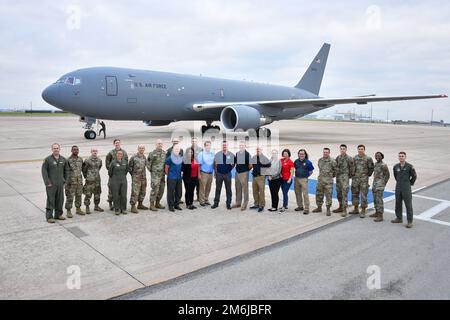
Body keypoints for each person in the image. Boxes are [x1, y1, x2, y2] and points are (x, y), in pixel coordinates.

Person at [41, 143, 67, 223]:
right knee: (50, 200)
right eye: (54, 148)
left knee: (60, 199)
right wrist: (47, 182)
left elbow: (66, 171)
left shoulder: (63, 159)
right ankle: (49, 217)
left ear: (59, 149)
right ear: (52, 149)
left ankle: (58, 215)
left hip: (60, 184)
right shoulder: (48, 159)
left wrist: (65, 181)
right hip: (51, 184)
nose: (56, 149)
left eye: (57, 148)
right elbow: (44, 171)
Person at [391, 152, 417, 228]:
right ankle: (399, 218)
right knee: (398, 203)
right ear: (398, 157)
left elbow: (414, 176)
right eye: (400, 156)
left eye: (402, 156)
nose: (401, 157)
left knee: (408, 205)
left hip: (406, 188)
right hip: (398, 187)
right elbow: (395, 176)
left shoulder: (409, 166)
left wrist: (409, 183)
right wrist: (399, 182)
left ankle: (409, 221)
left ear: (405, 157)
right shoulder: (396, 166)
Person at [351, 145, 374, 218]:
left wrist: (367, 175)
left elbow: (371, 168)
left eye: (362, 149)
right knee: (355, 194)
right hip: (355, 179)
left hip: (364, 180)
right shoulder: (355, 158)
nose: (360, 150)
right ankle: (356, 208)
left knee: (363, 195)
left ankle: (363, 210)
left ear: (364, 150)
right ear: (357, 150)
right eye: (359, 149)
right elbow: (352, 167)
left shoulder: (368, 158)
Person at [313, 148, 337, 216]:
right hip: (320, 181)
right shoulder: (320, 160)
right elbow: (320, 169)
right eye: (324, 152)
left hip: (328, 182)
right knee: (319, 194)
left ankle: (328, 209)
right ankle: (319, 207)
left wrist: (330, 177)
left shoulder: (332, 161)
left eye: (326, 152)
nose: (325, 153)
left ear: (329, 153)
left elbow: (335, 171)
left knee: (328, 196)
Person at [106, 139, 128, 210]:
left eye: (118, 143)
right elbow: (107, 163)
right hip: (113, 175)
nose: (117, 144)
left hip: (121, 175)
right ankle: (110, 203)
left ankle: (120, 205)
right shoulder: (111, 153)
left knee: (121, 191)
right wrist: (112, 172)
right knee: (111, 190)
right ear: (114, 144)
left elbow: (126, 163)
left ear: (120, 143)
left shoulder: (124, 152)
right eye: (116, 143)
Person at [212, 141, 235, 210]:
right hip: (219, 174)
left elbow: (234, 164)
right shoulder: (218, 154)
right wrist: (215, 173)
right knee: (218, 189)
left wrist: (230, 168)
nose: (224, 146)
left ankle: (228, 203)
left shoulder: (231, 155)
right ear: (221, 146)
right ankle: (216, 203)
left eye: (225, 145)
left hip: (227, 174)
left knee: (228, 189)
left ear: (228, 146)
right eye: (223, 145)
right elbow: (215, 164)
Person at [333, 144, 355, 217]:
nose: (342, 150)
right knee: (339, 193)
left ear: (346, 150)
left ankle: (344, 210)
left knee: (344, 194)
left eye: (344, 149)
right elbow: (335, 167)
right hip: (338, 178)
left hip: (345, 178)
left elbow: (352, 169)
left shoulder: (349, 158)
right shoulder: (338, 158)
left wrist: (348, 176)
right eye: (341, 149)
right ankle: (340, 207)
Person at [82, 147, 103, 214]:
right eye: (93, 151)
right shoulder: (87, 160)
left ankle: (96, 206)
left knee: (97, 193)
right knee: (88, 194)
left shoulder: (99, 160)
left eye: (96, 151)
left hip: (97, 179)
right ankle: (87, 207)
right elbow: (84, 169)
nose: (95, 152)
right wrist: (87, 176)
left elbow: (99, 167)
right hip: (89, 180)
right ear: (91, 152)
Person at [64, 145, 84, 218]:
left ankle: (78, 209)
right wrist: (66, 182)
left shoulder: (80, 159)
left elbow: (83, 169)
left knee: (79, 195)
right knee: (70, 196)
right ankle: (68, 210)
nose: (76, 151)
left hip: (79, 181)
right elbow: (65, 171)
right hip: (70, 182)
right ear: (71, 151)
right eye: (74, 150)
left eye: (77, 150)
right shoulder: (68, 160)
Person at [147, 139, 166, 211]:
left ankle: (157, 203)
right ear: (156, 144)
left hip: (162, 175)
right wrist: (153, 172)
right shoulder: (152, 153)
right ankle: (152, 204)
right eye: (158, 143)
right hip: (155, 175)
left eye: (161, 143)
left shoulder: (164, 153)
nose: (160, 145)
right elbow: (148, 164)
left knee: (161, 189)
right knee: (155, 189)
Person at [250, 146, 271, 213]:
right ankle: (256, 204)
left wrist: (265, 174)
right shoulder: (254, 157)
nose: (258, 151)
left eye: (259, 150)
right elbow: (252, 165)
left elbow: (269, 166)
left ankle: (262, 205)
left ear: (261, 150)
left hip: (261, 177)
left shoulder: (264, 158)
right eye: (257, 150)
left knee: (261, 192)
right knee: (255, 191)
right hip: (254, 177)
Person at [108, 150, 129, 215]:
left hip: (123, 180)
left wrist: (122, 176)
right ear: (116, 155)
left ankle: (123, 209)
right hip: (115, 180)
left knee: (123, 195)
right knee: (116, 195)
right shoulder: (113, 162)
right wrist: (114, 178)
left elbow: (126, 170)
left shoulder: (125, 162)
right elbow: (110, 172)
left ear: (122, 155)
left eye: (121, 154)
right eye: (118, 154)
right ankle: (117, 209)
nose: (120, 155)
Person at [129, 145, 149, 213]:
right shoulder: (133, 157)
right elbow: (130, 167)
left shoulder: (144, 157)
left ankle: (140, 204)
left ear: (144, 149)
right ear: (138, 149)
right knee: (135, 192)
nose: (141, 149)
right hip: (136, 178)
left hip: (143, 177)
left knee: (143, 191)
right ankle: (133, 206)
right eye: (140, 148)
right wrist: (134, 175)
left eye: (143, 148)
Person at [371, 152, 390, 222]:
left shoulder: (383, 165)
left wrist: (383, 184)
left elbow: (387, 175)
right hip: (375, 184)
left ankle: (380, 215)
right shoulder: (375, 164)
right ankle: (376, 212)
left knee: (379, 200)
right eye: (376, 156)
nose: (377, 157)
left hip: (380, 185)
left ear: (382, 157)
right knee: (375, 199)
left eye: (379, 156)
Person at [294, 149, 314, 215]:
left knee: (305, 194)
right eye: (300, 154)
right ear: (298, 154)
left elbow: (311, 171)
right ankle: (300, 206)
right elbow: (295, 168)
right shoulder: (296, 161)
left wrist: (306, 176)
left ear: (305, 155)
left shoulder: (308, 162)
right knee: (297, 193)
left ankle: (307, 208)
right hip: (296, 179)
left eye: (303, 154)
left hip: (304, 179)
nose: (301, 155)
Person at [234, 141, 252, 211]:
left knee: (245, 189)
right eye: (240, 145)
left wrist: (246, 171)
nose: (241, 147)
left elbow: (250, 165)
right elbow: (235, 162)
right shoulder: (237, 153)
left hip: (244, 173)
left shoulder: (247, 154)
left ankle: (245, 203)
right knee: (238, 188)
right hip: (237, 173)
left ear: (245, 146)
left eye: (243, 145)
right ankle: (238, 202)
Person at [165, 145, 183, 212]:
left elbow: (181, 167)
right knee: (171, 192)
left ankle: (176, 204)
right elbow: (166, 167)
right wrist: (168, 175)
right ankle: (171, 206)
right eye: (175, 149)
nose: (177, 151)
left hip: (179, 177)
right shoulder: (169, 158)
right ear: (173, 150)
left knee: (178, 191)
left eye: (178, 150)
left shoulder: (180, 157)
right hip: (171, 177)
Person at [197, 140, 215, 206]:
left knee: (208, 187)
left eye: (209, 145)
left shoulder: (212, 153)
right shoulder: (201, 154)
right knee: (202, 187)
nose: (208, 146)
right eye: (207, 145)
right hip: (203, 173)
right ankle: (201, 201)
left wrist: (215, 172)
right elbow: (198, 165)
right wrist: (198, 174)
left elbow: (214, 163)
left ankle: (206, 199)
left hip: (211, 173)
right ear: (204, 146)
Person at [279, 149, 295, 213]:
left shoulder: (290, 162)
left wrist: (290, 178)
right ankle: (285, 205)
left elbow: (292, 171)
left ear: (289, 154)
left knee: (285, 192)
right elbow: (279, 168)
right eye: (284, 153)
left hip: (287, 180)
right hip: (281, 179)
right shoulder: (281, 160)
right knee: (284, 192)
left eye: (286, 153)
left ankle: (284, 206)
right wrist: (280, 174)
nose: (285, 155)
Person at [189, 137, 203, 202]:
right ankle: (190, 198)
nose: (194, 142)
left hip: (198, 169)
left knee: (198, 185)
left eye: (195, 141)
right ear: (191, 142)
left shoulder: (200, 149)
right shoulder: (188, 149)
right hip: (191, 169)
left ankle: (198, 197)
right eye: (193, 141)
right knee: (191, 185)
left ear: (197, 142)